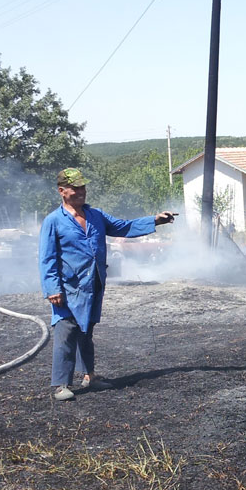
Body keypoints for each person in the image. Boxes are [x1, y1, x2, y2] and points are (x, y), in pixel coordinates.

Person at [38, 168, 175, 401]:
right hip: (68, 287)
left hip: (93, 284)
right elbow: (47, 258)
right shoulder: (53, 221)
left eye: (83, 187)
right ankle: (61, 384)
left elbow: (123, 227)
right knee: (66, 330)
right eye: (75, 188)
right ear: (62, 191)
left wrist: (154, 220)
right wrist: (53, 289)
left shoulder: (95, 215)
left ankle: (89, 375)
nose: (81, 192)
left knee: (86, 331)